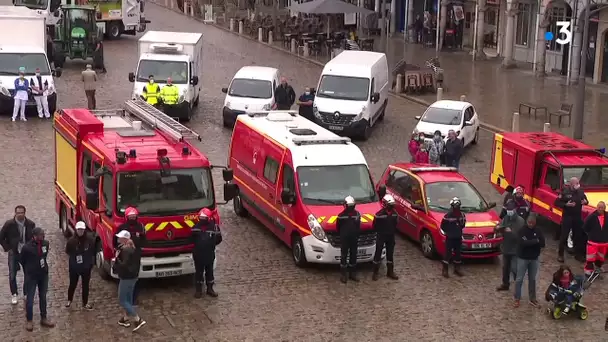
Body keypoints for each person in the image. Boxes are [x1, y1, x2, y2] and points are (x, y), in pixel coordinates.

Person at [0, 205, 36, 305]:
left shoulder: (30, 224)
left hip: (26, 252)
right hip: (14, 252)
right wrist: (8, 248)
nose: (20, 214)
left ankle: (26, 293)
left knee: (28, 274)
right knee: (12, 275)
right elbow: (1, 237)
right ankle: (14, 294)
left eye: (22, 212)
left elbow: (34, 238)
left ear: (25, 213)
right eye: (18, 212)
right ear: (15, 213)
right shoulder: (9, 224)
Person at [20, 227, 55, 331]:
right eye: (40, 235)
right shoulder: (26, 248)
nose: (42, 236)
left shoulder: (46, 243)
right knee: (30, 299)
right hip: (31, 276)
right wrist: (28, 270)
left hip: (43, 274)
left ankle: (43, 317)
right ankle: (29, 320)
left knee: (43, 297)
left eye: (43, 234)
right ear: (34, 236)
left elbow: (44, 255)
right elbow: (22, 260)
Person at [113, 230, 146, 332]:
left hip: (126, 277)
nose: (118, 239)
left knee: (122, 300)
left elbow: (123, 265)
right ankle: (125, 318)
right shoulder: (133, 248)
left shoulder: (125, 250)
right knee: (128, 298)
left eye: (120, 238)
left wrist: (116, 258)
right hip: (133, 276)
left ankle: (137, 319)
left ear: (125, 239)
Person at [513, 214, 545, 308]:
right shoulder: (522, 231)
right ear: (527, 222)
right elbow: (522, 243)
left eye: (532, 223)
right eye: (529, 223)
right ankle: (517, 298)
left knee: (533, 279)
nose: (531, 224)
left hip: (534, 258)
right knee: (519, 279)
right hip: (523, 258)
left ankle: (532, 298)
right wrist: (535, 241)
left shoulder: (538, 230)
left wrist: (530, 242)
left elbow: (542, 243)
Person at [115, 207, 146, 304]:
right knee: (123, 276)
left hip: (136, 255)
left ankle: (134, 298)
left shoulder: (141, 227)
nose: (132, 218)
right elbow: (115, 241)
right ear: (126, 217)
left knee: (135, 277)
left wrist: (140, 247)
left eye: (134, 216)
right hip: (124, 255)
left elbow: (144, 240)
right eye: (130, 217)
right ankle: (125, 297)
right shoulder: (122, 228)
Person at [554, 177, 588, 263]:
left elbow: (586, 200)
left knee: (578, 236)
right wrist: (566, 205)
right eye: (576, 183)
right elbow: (557, 202)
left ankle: (578, 255)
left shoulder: (580, 191)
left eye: (578, 183)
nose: (578, 185)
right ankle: (560, 255)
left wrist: (585, 202)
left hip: (577, 217)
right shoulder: (565, 192)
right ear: (571, 184)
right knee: (564, 236)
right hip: (567, 217)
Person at [191, 208, 223, 298]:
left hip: (209, 253)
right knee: (199, 272)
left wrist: (211, 244)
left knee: (209, 272)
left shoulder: (214, 227)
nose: (202, 220)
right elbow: (191, 239)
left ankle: (210, 289)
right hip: (198, 254)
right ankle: (198, 290)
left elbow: (219, 239)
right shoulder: (195, 227)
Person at [495, 200, 525, 291]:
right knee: (505, 268)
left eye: (511, 209)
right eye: (508, 209)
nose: (509, 211)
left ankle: (518, 285)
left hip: (515, 249)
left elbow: (520, 236)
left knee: (515, 268)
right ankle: (505, 284)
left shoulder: (520, 221)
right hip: (506, 248)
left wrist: (510, 232)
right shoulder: (506, 218)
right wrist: (498, 229)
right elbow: (500, 228)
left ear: (515, 209)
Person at [65, 221, 95, 310]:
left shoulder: (90, 240)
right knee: (72, 284)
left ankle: (85, 303)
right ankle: (69, 299)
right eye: (79, 230)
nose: (80, 231)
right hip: (74, 267)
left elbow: (92, 251)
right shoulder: (71, 241)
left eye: (82, 230)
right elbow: (68, 251)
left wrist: (89, 263)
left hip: (86, 267)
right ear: (76, 230)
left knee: (85, 285)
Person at [372, 194, 399, 281]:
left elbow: (396, 225)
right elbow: (374, 226)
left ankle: (390, 272)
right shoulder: (378, 215)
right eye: (390, 205)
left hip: (390, 237)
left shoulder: (395, 214)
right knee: (378, 254)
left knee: (390, 254)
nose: (391, 207)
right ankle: (375, 272)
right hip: (381, 236)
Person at [336, 195, 361, 283]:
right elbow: (338, 227)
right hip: (345, 239)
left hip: (353, 238)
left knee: (353, 255)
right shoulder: (341, 216)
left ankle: (352, 274)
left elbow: (358, 226)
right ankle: (343, 275)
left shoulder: (357, 214)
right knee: (344, 256)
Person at [441, 197, 466, 278]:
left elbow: (463, 225)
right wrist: (449, 232)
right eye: (455, 206)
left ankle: (457, 269)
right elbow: (443, 226)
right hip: (450, 238)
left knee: (458, 253)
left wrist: (457, 231)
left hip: (458, 237)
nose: (457, 208)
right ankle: (445, 270)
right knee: (448, 254)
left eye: (458, 206)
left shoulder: (462, 215)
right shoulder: (447, 216)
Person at [582, 201, 608, 279]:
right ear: (596, 207)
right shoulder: (592, 216)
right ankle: (588, 271)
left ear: (604, 208)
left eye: (602, 207)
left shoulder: (607, 216)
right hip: (593, 242)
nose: (600, 209)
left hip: (603, 243)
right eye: (599, 207)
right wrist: (591, 235)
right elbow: (585, 227)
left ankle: (597, 270)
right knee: (590, 258)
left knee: (600, 258)